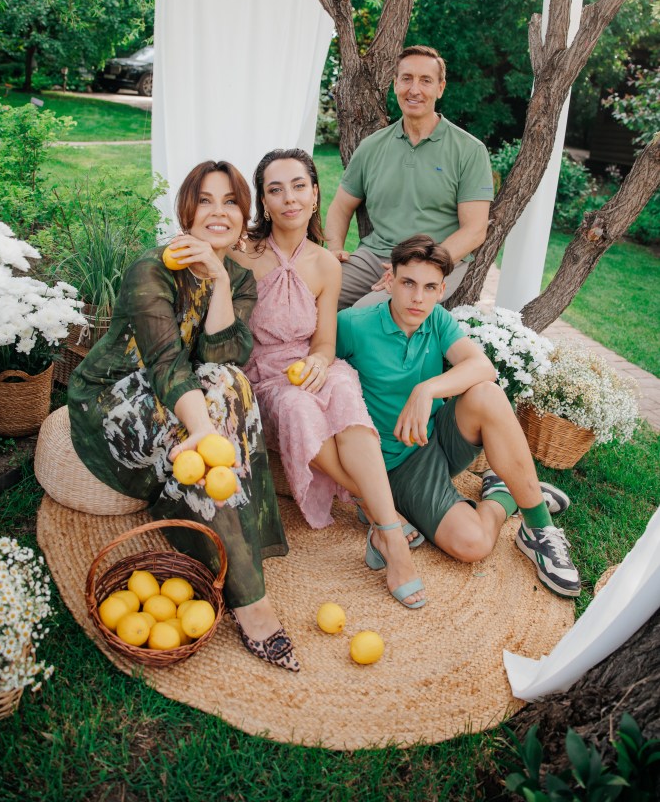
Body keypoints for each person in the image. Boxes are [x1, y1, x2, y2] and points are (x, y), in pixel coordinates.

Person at [67, 160, 300, 671]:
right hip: (116, 395)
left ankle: (227, 538)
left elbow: (224, 356)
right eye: (206, 201)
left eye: (231, 201)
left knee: (232, 383)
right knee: (217, 405)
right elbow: (165, 364)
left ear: (244, 214)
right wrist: (202, 430)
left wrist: (219, 280)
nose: (219, 212)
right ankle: (250, 599)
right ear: (186, 211)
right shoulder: (151, 269)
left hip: (190, 390)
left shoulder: (239, 278)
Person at [335, 234, 581, 599]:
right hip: (396, 466)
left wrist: (426, 390)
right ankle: (505, 494)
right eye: (408, 283)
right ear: (389, 280)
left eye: (429, 288)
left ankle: (538, 529)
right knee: (473, 543)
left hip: (438, 436)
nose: (417, 298)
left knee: (487, 394)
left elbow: (483, 367)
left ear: (441, 291)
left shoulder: (437, 318)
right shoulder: (352, 325)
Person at [232, 148, 426, 609]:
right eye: (276, 190)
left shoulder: (326, 264)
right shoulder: (243, 256)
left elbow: (324, 341)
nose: (289, 198)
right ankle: (384, 519)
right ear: (264, 201)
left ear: (316, 194)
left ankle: (386, 535)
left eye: (299, 186)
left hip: (310, 362)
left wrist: (321, 361)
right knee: (298, 406)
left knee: (342, 386)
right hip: (263, 374)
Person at [324, 45, 495, 309]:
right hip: (374, 257)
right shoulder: (372, 146)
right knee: (308, 294)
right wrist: (334, 249)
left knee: (366, 314)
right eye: (407, 79)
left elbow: (474, 231)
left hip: (433, 262)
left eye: (425, 80)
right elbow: (340, 206)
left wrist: (418, 267)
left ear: (440, 88)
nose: (414, 89)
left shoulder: (469, 150)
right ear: (395, 84)